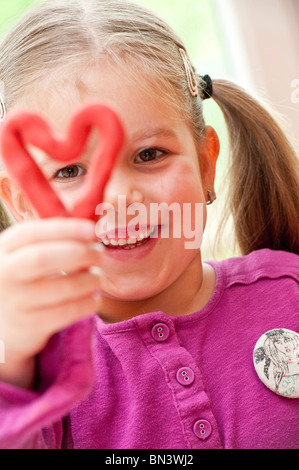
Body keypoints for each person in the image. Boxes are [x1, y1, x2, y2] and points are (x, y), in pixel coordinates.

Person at [0, 0, 298, 450]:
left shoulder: (288, 291)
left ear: (204, 165)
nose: (119, 198)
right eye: (69, 172)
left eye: (149, 155)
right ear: (23, 205)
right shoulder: (34, 378)